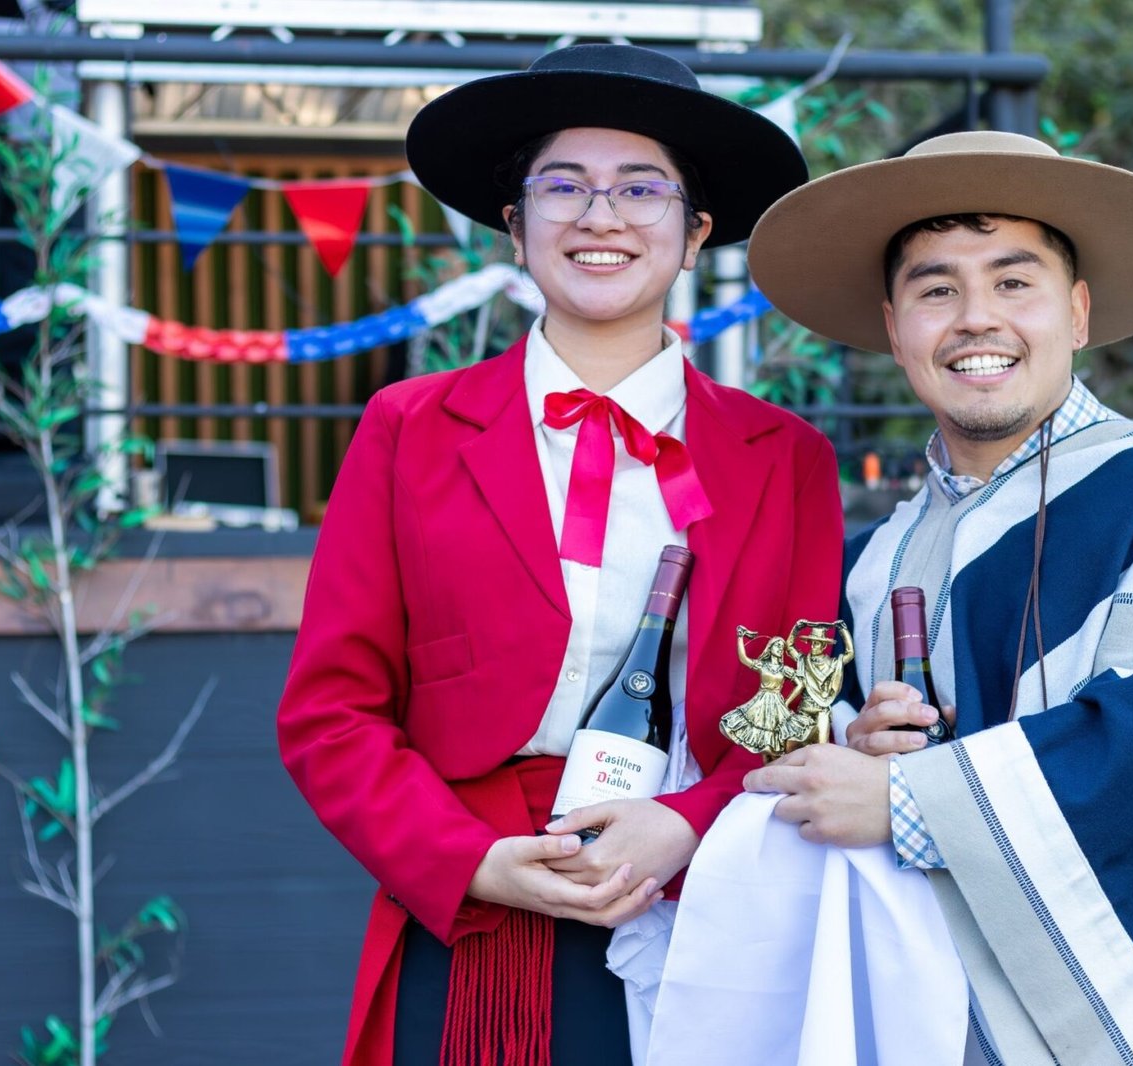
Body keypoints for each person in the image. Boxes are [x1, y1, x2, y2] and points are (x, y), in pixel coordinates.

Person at [730, 130, 1133, 1064]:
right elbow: (799, 770)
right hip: (920, 1019)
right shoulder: (867, 563)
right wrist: (854, 749)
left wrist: (910, 799)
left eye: (1013, 282)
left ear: (1076, 313)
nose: (976, 319)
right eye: (937, 290)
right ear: (895, 328)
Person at [276, 44, 841, 1066]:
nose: (600, 217)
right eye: (564, 186)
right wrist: (471, 861)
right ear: (515, 225)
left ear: (694, 231)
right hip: (476, 902)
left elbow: (794, 709)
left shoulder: (786, 457)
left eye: (641, 188)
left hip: (706, 903)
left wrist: (687, 824)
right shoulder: (408, 428)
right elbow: (331, 711)